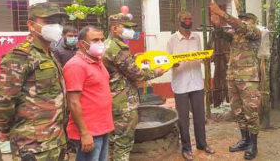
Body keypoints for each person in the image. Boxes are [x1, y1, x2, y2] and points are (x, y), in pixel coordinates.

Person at [0, 2, 68, 161]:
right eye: (48, 22)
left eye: (58, 22)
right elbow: (3, 99)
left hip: (56, 139)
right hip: (32, 144)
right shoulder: (20, 55)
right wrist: (4, 129)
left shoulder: (50, 54)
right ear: (31, 25)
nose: (55, 27)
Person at [102, 13, 166, 161]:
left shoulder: (107, 44)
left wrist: (133, 58)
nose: (131, 31)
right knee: (124, 142)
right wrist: (156, 72)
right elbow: (136, 74)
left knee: (113, 141)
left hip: (112, 99)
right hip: (124, 102)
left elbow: (119, 68)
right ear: (114, 29)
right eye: (126, 27)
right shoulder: (118, 48)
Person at [210, 2, 261, 160]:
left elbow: (241, 27)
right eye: (242, 19)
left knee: (251, 112)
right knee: (238, 111)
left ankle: (253, 144)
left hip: (248, 79)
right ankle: (245, 139)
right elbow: (220, 36)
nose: (243, 21)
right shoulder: (235, 35)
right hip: (232, 77)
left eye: (246, 19)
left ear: (253, 22)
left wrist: (222, 13)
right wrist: (218, 25)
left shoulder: (255, 33)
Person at [167, 12, 215, 161]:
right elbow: (167, 61)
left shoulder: (197, 37)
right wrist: (173, 63)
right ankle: (186, 149)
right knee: (183, 119)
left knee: (200, 117)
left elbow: (200, 59)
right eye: (184, 19)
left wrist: (206, 58)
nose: (188, 21)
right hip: (181, 84)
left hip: (197, 83)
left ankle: (202, 144)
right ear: (179, 21)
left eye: (190, 19)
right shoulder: (172, 40)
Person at [63, 25, 114, 161]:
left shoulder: (97, 61)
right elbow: (73, 102)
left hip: (102, 126)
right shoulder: (76, 66)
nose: (100, 43)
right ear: (82, 44)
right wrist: (85, 133)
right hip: (89, 131)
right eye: (95, 40)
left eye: (102, 39)